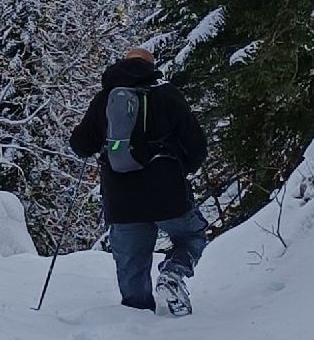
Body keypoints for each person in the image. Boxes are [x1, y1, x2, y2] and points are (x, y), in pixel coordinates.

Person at [67, 45, 209, 315]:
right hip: (167, 192)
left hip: (121, 199)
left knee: (131, 265)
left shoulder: (105, 98)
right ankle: (174, 272)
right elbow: (197, 145)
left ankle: (136, 319)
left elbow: (81, 145)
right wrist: (181, 170)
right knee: (192, 235)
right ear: (151, 67)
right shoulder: (167, 94)